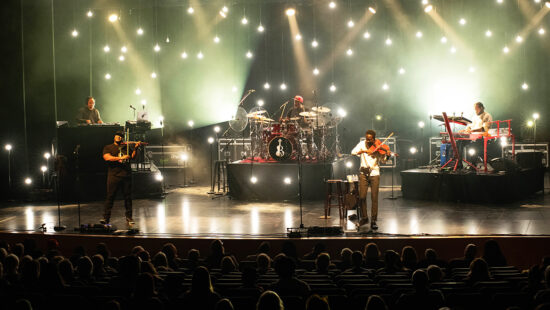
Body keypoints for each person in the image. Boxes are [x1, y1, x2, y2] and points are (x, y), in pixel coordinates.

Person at [351, 130, 394, 230]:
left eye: (370, 139)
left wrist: (387, 155)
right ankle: (365, 218)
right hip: (363, 173)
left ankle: (373, 220)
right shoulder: (362, 144)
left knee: (374, 198)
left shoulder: (378, 147)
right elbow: (352, 152)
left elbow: (383, 161)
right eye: (367, 138)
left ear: (374, 139)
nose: (368, 141)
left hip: (374, 173)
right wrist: (364, 151)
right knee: (362, 197)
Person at [101, 131, 141, 228]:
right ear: (114, 137)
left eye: (121, 136)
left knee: (128, 198)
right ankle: (106, 218)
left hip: (126, 175)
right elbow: (107, 158)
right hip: (113, 175)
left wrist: (135, 148)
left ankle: (129, 217)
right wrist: (122, 157)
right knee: (110, 197)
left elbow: (133, 157)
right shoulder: (108, 147)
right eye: (117, 136)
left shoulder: (126, 147)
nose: (119, 137)